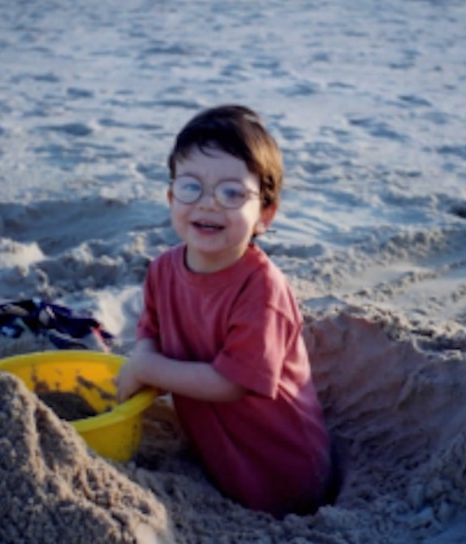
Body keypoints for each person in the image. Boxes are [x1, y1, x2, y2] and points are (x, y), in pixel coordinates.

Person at [115, 104, 333, 518]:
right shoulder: (162, 270)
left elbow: (232, 383)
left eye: (232, 193)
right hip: (218, 455)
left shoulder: (262, 289)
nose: (209, 204)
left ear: (264, 215)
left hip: (284, 472)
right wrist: (144, 353)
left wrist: (146, 369)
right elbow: (151, 332)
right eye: (191, 186)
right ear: (170, 196)